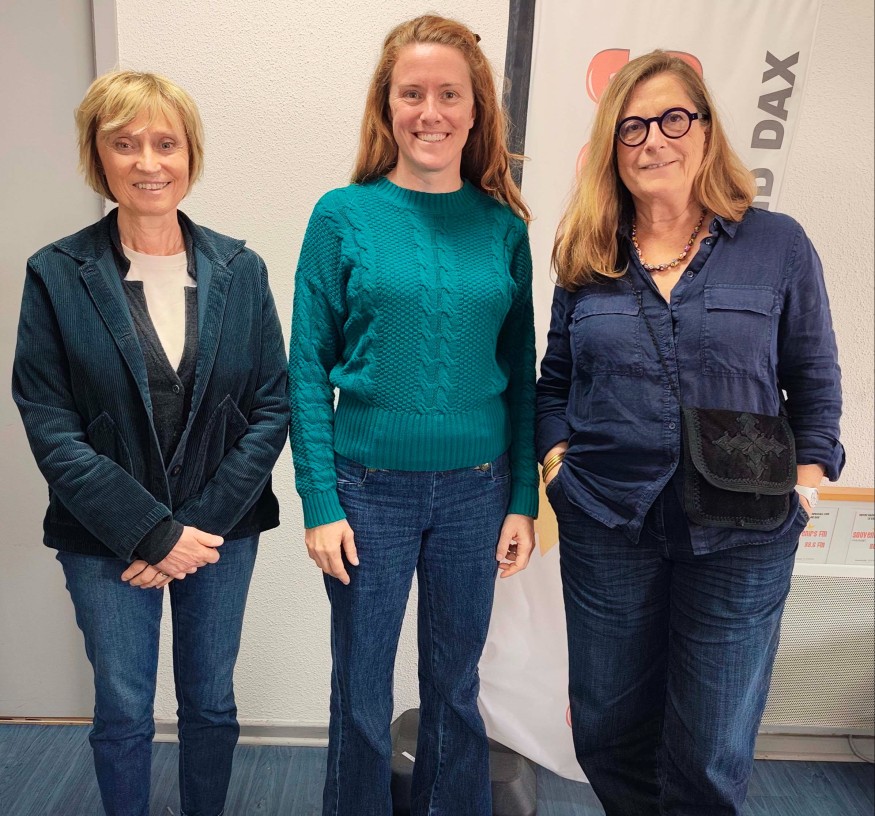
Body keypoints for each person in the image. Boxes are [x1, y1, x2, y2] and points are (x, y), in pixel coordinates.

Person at [536, 51, 843, 816]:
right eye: (631, 127)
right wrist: (556, 465)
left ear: (705, 130)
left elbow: (813, 380)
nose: (653, 140)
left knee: (708, 746)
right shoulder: (586, 254)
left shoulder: (776, 244)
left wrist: (806, 486)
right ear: (612, 147)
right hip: (608, 521)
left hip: (744, 530)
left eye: (673, 119)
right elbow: (553, 383)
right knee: (607, 729)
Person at [12, 70, 289, 816]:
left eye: (165, 143)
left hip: (219, 534)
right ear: (96, 156)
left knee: (211, 702)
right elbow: (50, 423)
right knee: (123, 708)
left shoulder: (241, 268)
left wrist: (194, 531)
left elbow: (271, 406)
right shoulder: (56, 274)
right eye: (124, 144)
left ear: (190, 154)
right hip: (103, 538)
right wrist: (152, 533)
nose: (147, 162)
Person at [289, 14, 538, 816]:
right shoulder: (341, 216)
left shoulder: (502, 227)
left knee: (455, 688)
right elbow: (305, 371)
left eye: (448, 95)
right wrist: (319, 501)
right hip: (367, 493)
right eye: (411, 94)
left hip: (477, 489)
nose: (430, 112)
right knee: (360, 692)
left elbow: (522, 375)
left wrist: (522, 497)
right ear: (386, 105)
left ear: (475, 109)